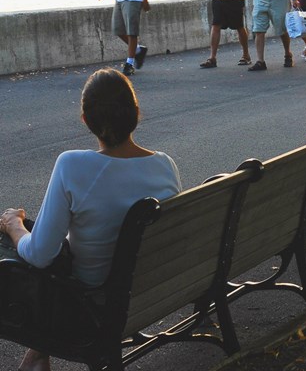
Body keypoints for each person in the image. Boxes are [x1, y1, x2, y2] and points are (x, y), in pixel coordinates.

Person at [0, 68, 182, 371]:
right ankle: (35, 358)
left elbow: (40, 256)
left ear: (86, 121)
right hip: (152, 288)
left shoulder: (72, 165)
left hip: (93, 305)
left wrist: (13, 225)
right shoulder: (165, 165)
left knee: (15, 250)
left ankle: (36, 356)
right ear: (136, 112)